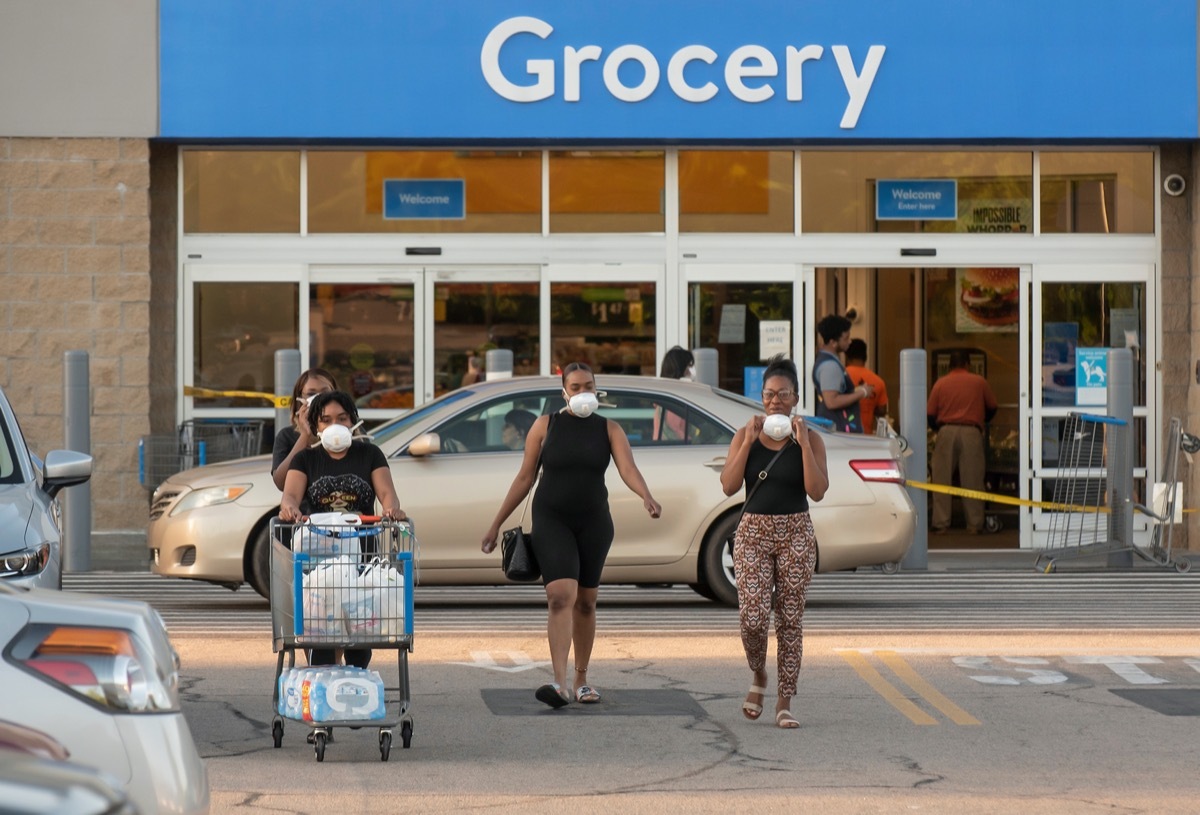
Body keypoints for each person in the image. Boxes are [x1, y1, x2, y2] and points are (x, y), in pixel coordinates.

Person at [481, 362, 662, 709]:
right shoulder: (545, 425)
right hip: (552, 518)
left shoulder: (609, 429)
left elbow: (628, 468)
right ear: (563, 391)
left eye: (589, 386)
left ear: (598, 390)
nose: (583, 393)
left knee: (587, 601)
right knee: (560, 595)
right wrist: (495, 524)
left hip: (594, 522)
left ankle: (581, 678)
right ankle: (559, 682)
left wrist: (646, 496)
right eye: (576, 387)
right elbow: (524, 478)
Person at [719, 354, 828, 730]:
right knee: (751, 618)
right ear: (760, 397)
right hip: (753, 533)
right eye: (769, 394)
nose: (776, 401)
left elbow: (817, 492)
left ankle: (784, 700)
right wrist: (748, 442)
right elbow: (729, 485)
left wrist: (804, 445)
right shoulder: (744, 434)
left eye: (783, 394)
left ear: (796, 397)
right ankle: (759, 674)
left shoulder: (810, 438)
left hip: (796, 532)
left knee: (790, 619)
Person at [279, 390, 406, 668]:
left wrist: (391, 508)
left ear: (353, 422)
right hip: (318, 565)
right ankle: (325, 690)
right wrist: (290, 508)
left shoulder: (369, 454)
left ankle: (354, 687)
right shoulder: (305, 460)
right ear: (315, 426)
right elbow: (289, 496)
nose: (334, 425)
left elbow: (387, 494)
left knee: (359, 641)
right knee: (322, 641)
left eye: (342, 418)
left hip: (362, 561)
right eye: (325, 420)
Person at [926, 350, 998, 535]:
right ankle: (975, 524)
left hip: (946, 431)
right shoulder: (979, 382)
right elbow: (992, 407)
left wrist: (939, 429)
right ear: (968, 364)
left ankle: (941, 523)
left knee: (941, 479)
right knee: (973, 479)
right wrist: (981, 420)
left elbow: (931, 414)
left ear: (950, 365)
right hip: (971, 432)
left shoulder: (940, 383)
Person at [271, 368, 339, 493]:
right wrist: (305, 436)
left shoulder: (351, 430)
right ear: (299, 399)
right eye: (311, 394)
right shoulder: (287, 436)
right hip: (305, 511)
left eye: (325, 392)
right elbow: (280, 483)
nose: (319, 398)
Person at [812, 314, 873, 433]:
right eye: (846, 338)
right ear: (833, 342)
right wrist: (862, 392)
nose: (850, 341)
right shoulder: (830, 366)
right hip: (840, 432)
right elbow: (832, 401)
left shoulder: (829, 361)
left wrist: (854, 391)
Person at [844, 339, 889, 434]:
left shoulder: (842, 376)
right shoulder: (878, 381)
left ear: (847, 356)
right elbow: (882, 411)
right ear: (865, 357)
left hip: (842, 434)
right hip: (866, 436)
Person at [655, 345, 695, 441]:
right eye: (688, 368)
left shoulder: (665, 398)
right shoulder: (675, 402)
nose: (690, 373)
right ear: (680, 370)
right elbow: (680, 435)